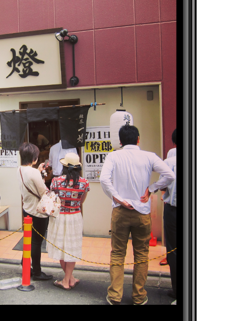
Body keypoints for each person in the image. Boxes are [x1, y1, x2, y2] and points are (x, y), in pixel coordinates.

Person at [100, 124, 175, 306]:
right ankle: (139, 296)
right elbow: (169, 175)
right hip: (142, 212)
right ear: (138, 139)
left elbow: (104, 179)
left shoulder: (114, 156)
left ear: (120, 141)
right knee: (141, 254)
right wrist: (151, 189)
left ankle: (115, 295)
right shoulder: (149, 156)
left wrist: (117, 198)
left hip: (120, 211)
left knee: (118, 253)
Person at [47, 154, 90, 289]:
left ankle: (66, 281)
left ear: (64, 166)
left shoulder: (55, 181)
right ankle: (69, 278)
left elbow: (52, 199)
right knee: (71, 248)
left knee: (61, 247)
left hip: (59, 217)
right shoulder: (84, 183)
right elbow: (82, 201)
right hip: (75, 216)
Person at [18, 142, 53, 281]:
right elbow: (43, 192)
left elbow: (31, 180)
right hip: (38, 212)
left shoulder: (20, 169)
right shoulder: (33, 173)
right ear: (34, 158)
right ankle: (37, 272)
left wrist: (38, 171)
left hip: (27, 209)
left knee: (29, 239)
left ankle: (25, 263)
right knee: (37, 242)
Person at [150, 129, 177, 303]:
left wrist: (152, 188)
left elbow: (164, 185)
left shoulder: (169, 161)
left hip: (173, 210)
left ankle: (177, 289)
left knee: (173, 249)